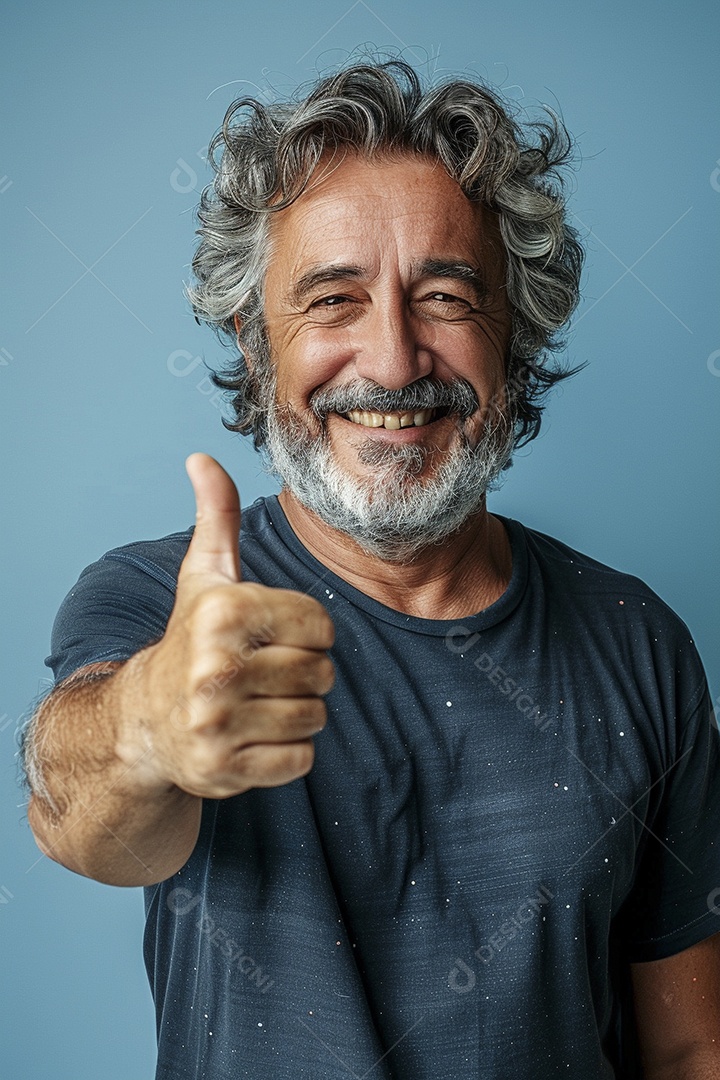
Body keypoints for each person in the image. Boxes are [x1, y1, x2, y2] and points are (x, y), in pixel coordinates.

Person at [23, 59, 720, 1079]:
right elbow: (76, 821)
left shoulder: (639, 640)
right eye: (333, 299)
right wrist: (148, 726)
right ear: (256, 346)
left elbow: (692, 1041)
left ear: (514, 337)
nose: (393, 362)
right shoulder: (151, 605)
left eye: (443, 295)